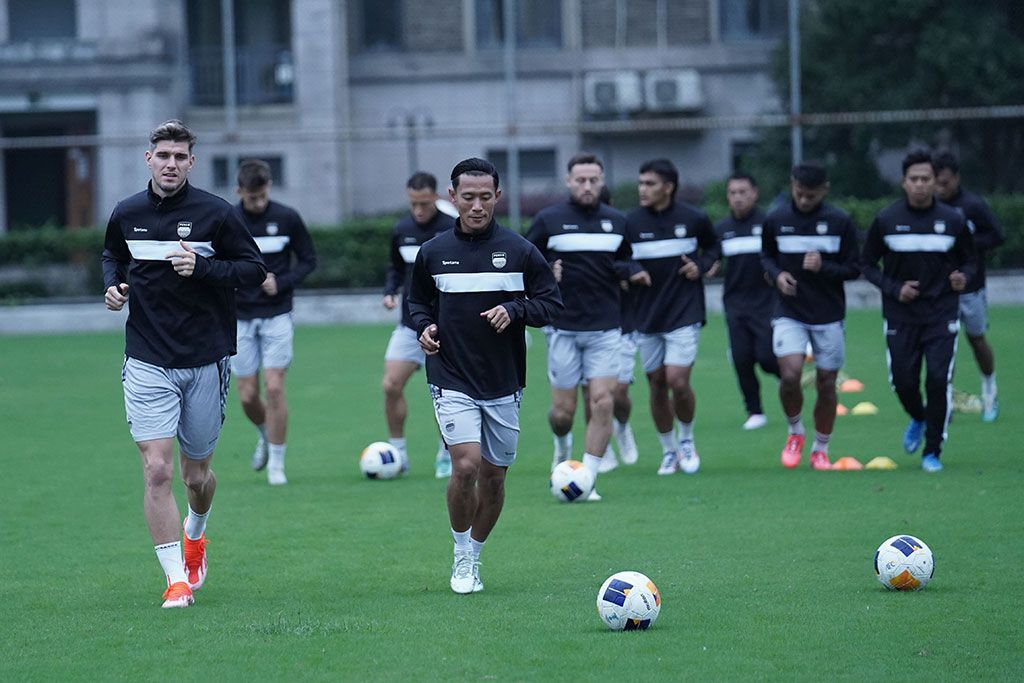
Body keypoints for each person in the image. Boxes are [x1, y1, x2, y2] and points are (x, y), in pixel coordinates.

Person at [102, 120, 266, 608]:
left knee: (195, 476)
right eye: (163, 155)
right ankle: (175, 579)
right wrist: (113, 285)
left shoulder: (217, 215)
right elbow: (113, 253)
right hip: (147, 358)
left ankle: (196, 534)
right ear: (147, 158)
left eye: (180, 156)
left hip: (204, 358)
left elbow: (254, 271)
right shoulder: (126, 213)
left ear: (191, 163)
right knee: (156, 469)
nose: (170, 163)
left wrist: (205, 267)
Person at [408, 158, 562, 594]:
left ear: (498, 197)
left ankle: (476, 553)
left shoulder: (519, 250)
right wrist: (425, 328)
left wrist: (514, 309)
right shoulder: (434, 252)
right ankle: (460, 555)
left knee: (494, 479)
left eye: (485, 197)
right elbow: (416, 304)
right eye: (467, 197)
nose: (477, 206)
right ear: (452, 197)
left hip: (503, 381)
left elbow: (551, 303)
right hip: (450, 376)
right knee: (466, 465)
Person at [526, 153, 648, 497]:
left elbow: (624, 259)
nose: (587, 186)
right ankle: (562, 446)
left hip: (606, 329)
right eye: (580, 180)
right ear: (568, 181)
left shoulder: (617, 221)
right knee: (563, 413)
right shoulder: (549, 220)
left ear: (602, 181)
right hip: (562, 329)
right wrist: (547, 270)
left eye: (594, 180)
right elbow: (526, 262)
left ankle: (587, 479)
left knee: (603, 401)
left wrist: (632, 272)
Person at [862, 150, 977, 471]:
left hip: (942, 313)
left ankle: (932, 452)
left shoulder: (953, 220)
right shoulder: (886, 220)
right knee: (904, 381)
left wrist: (962, 277)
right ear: (904, 182)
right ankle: (918, 417)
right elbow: (866, 263)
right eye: (914, 179)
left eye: (926, 179)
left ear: (934, 183)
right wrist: (895, 288)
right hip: (901, 315)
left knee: (938, 380)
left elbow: (970, 259)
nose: (921, 185)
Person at [760, 162, 860, 470]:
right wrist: (777, 276)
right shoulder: (776, 218)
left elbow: (854, 268)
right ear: (792, 186)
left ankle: (821, 447)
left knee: (827, 384)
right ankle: (795, 432)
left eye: (811, 196)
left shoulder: (839, 221)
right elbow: (766, 256)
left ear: (824, 191)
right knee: (789, 375)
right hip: (789, 311)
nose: (804, 200)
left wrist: (824, 267)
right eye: (800, 193)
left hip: (828, 314)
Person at [625, 159, 719, 476]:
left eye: (650, 184)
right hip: (647, 315)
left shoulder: (694, 218)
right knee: (656, 384)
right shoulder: (631, 223)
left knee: (678, 380)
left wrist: (701, 266)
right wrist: (632, 270)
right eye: (641, 183)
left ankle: (687, 441)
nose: (643, 189)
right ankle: (668, 451)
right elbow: (616, 260)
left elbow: (714, 249)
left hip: (684, 311)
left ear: (668, 187)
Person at [232, 159, 318, 486]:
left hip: (277, 314)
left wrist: (281, 282)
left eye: (263, 195)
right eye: (252, 197)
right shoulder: (228, 220)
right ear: (239, 191)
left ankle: (277, 465)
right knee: (246, 395)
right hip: (238, 317)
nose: (258, 202)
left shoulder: (287, 217)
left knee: (274, 386)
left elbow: (309, 260)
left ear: (269, 187)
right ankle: (265, 434)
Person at [382, 172, 457, 477]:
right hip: (409, 324)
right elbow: (396, 268)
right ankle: (398, 454)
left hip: (445, 326)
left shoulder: (451, 229)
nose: (419, 210)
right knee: (390, 385)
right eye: (413, 203)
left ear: (435, 197)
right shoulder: (402, 228)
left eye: (424, 203)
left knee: (445, 394)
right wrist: (389, 291)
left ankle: (446, 454)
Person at [933, 151, 1004, 422]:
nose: (941, 188)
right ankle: (944, 401)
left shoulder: (972, 205)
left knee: (976, 339)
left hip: (971, 287)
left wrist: (968, 245)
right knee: (943, 345)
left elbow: (997, 235)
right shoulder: (931, 208)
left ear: (957, 179)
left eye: (946, 182)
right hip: (940, 291)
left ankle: (989, 389)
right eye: (937, 182)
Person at [710, 171, 779, 430]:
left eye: (743, 192)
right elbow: (712, 257)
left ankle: (788, 377)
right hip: (736, 304)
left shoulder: (769, 224)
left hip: (767, 302)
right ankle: (755, 411)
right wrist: (710, 266)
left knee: (767, 356)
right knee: (741, 358)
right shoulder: (721, 229)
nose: (738, 198)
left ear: (754, 193)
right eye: (733, 193)